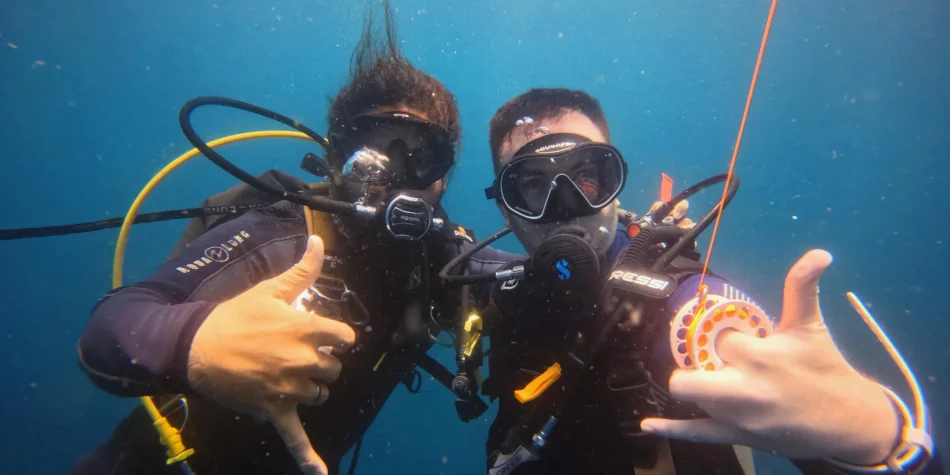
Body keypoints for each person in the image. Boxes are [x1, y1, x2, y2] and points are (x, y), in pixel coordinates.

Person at [68, 4, 517, 475]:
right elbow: (113, 325)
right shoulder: (284, 233)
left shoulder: (445, 259)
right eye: (375, 148)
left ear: (445, 176)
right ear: (335, 156)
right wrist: (198, 344)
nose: (397, 176)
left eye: (425, 155)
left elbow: (529, 278)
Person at [445, 88, 940, 474]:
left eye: (588, 177)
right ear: (505, 211)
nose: (566, 205)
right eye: (531, 186)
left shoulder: (681, 309)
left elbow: (716, 329)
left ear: (616, 191)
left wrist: (874, 438)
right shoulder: (495, 287)